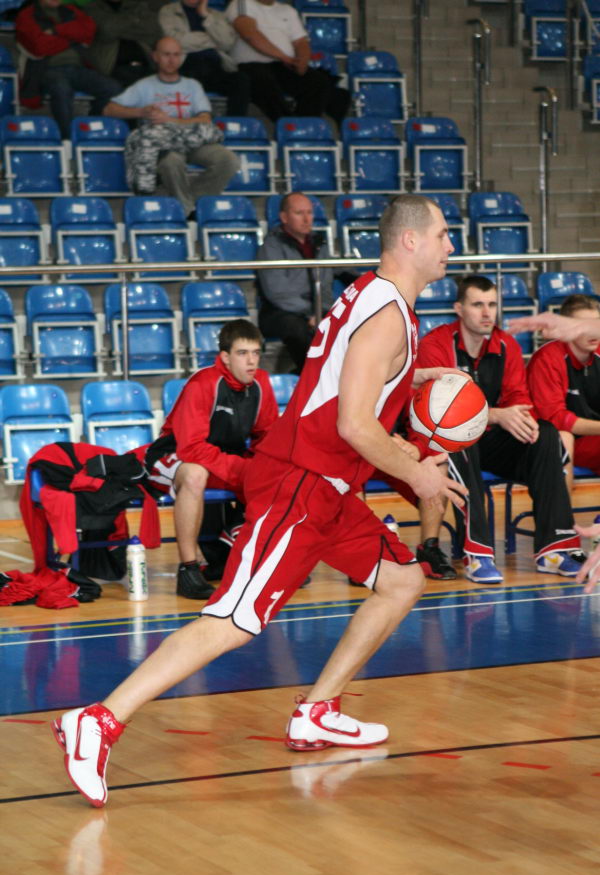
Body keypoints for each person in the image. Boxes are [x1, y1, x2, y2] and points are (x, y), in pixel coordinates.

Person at [51, 193, 470, 809]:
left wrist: (415, 379)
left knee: (402, 581)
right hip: (301, 483)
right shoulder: (386, 316)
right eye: (442, 234)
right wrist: (419, 474)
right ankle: (98, 720)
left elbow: (348, 382)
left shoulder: (374, 297)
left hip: (329, 487)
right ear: (410, 240)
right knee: (234, 620)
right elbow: (355, 423)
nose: (450, 245)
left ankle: (317, 712)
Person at [412, 275, 583, 583]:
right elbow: (440, 413)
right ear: (459, 309)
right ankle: (477, 554)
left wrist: (519, 420)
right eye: (477, 305)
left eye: (492, 305)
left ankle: (554, 550)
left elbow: (518, 399)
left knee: (545, 434)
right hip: (446, 439)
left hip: (491, 442)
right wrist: (496, 415)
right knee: (459, 439)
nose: (486, 313)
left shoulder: (506, 345)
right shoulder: (435, 345)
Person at [144, 318, 279, 600]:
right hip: (173, 454)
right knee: (196, 474)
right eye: (242, 353)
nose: (251, 361)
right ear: (225, 357)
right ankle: (189, 569)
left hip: (220, 457)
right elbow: (191, 448)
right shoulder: (203, 383)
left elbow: (267, 437)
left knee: (280, 472)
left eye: (256, 353)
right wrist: (243, 470)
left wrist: (268, 467)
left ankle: (235, 550)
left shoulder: (262, 383)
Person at [103, 36, 239, 217]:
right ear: (155, 56)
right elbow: (109, 109)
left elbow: (205, 119)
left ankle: (192, 203)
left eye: (176, 55)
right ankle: (187, 210)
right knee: (171, 162)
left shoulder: (192, 85)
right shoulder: (144, 86)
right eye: (166, 54)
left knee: (228, 160)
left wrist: (170, 120)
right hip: (163, 144)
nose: (171, 60)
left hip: (193, 140)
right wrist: (141, 112)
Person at [225, 0, 350, 126]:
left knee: (318, 83)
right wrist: (283, 57)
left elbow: (301, 41)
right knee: (263, 82)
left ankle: (304, 127)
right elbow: (250, 34)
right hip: (248, 65)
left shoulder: (288, 10)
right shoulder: (241, 3)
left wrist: (302, 62)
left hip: (282, 65)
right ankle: (287, 125)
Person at [16, 0, 122, 139]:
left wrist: (56, 31)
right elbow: (40, 47)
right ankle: (67, 139)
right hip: (46, 69)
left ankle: (89, 128)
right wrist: (72, 39)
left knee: (113, 88)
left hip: (79, 68)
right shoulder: (26, 15)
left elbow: (89, 30)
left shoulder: (71, 10)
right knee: (61, 89)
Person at [527, 294, 600, 492]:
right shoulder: (547, 359)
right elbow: (556, 420)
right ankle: (562, 512)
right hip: (557, 440)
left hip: (592, 437)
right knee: (562, 437)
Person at [256, 192, 334, 373]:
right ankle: (313, 376)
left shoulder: (319, 244)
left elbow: (327, 282)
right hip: (279, 312)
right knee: (297, 329)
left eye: (309, 212)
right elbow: (277, 293)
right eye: (299, 213)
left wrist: (321, 311)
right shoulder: (271, 247)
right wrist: (310, 314)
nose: (307, 219)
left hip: (315, 309)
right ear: (284, 217)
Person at [160, 0, 251, 116]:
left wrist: (206, 15)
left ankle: (235, 122)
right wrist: (212, 40)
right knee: (198, 66)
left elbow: (227, 43)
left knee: (241, 79)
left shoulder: (217, 15)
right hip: (186, 66)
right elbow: (175, 42)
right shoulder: (169, 11)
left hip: (216, 68)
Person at [85, 0, 166, 88]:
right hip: (115, 68)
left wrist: (119, 28)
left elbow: (153, 30)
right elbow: (107, 30)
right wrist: (135, 20)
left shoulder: (137, 4)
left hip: (147, 64)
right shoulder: (93, 7)